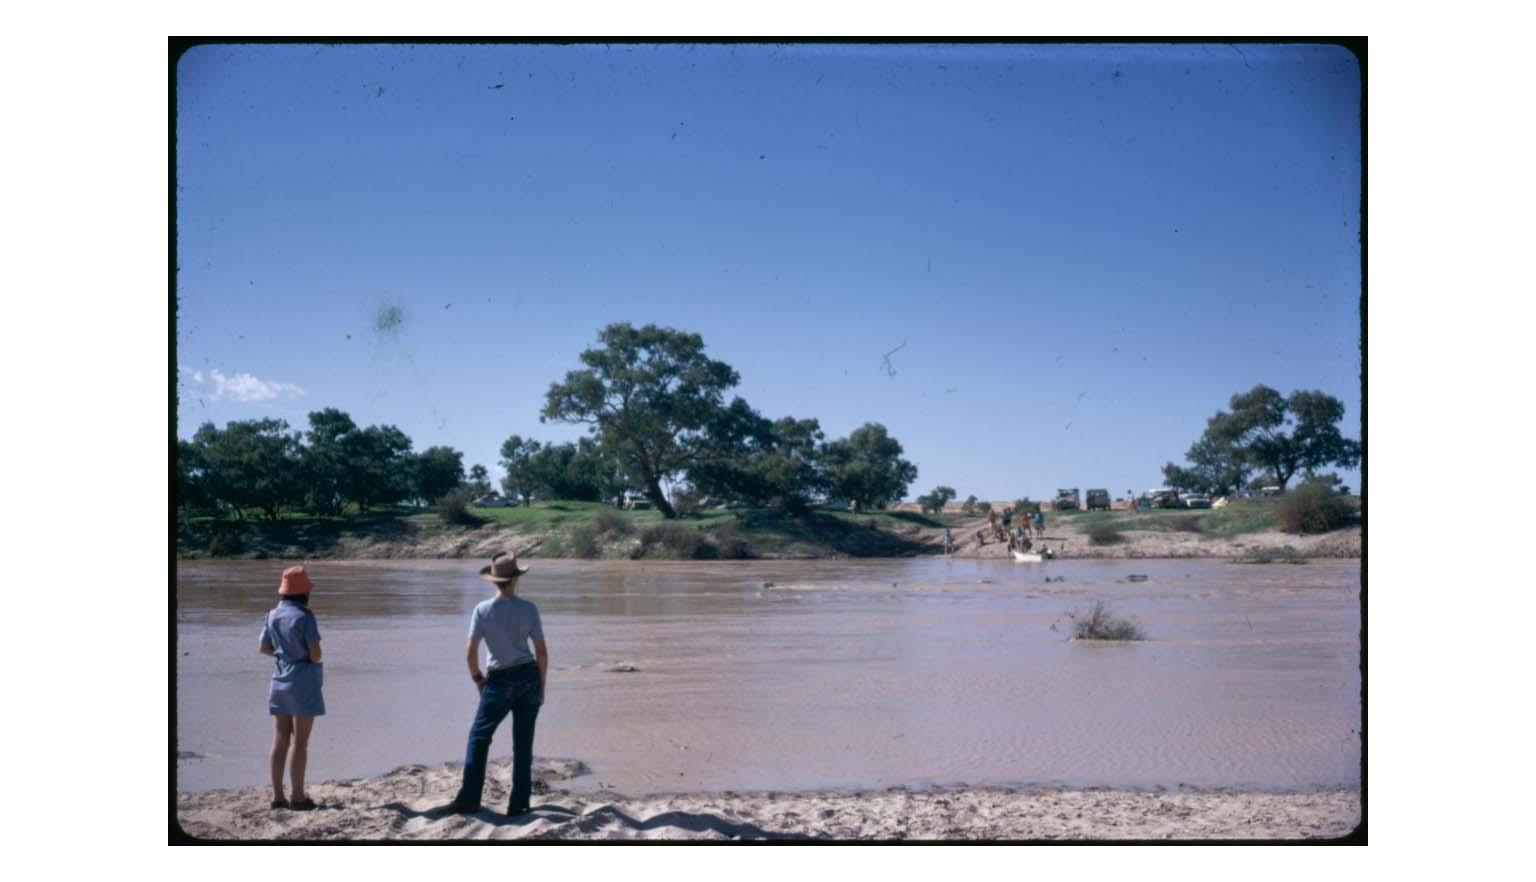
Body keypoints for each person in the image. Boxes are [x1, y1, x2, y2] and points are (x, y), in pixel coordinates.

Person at [446, 553, 549, 817]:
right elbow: (542, 653)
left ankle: (470, 798)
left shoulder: (482, 610)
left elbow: (470, 653)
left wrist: (478, 679)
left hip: (499, 679)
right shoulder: (529, 609)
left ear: (495, 581)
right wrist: (541, 687)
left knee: (479, 738)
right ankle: (519, 803)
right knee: (523, 744)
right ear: (515, 580)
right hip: (528, 677)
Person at [260, 565, 325, 811]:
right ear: (304, 593)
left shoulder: (271, 615)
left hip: (279, 679)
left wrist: (283, 654)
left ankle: (278, 797)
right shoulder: (306, 616)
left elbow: (263, 648)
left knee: (279, 738)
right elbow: (315, 654)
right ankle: (298, 797)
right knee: (300, 742)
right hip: (303, 679)